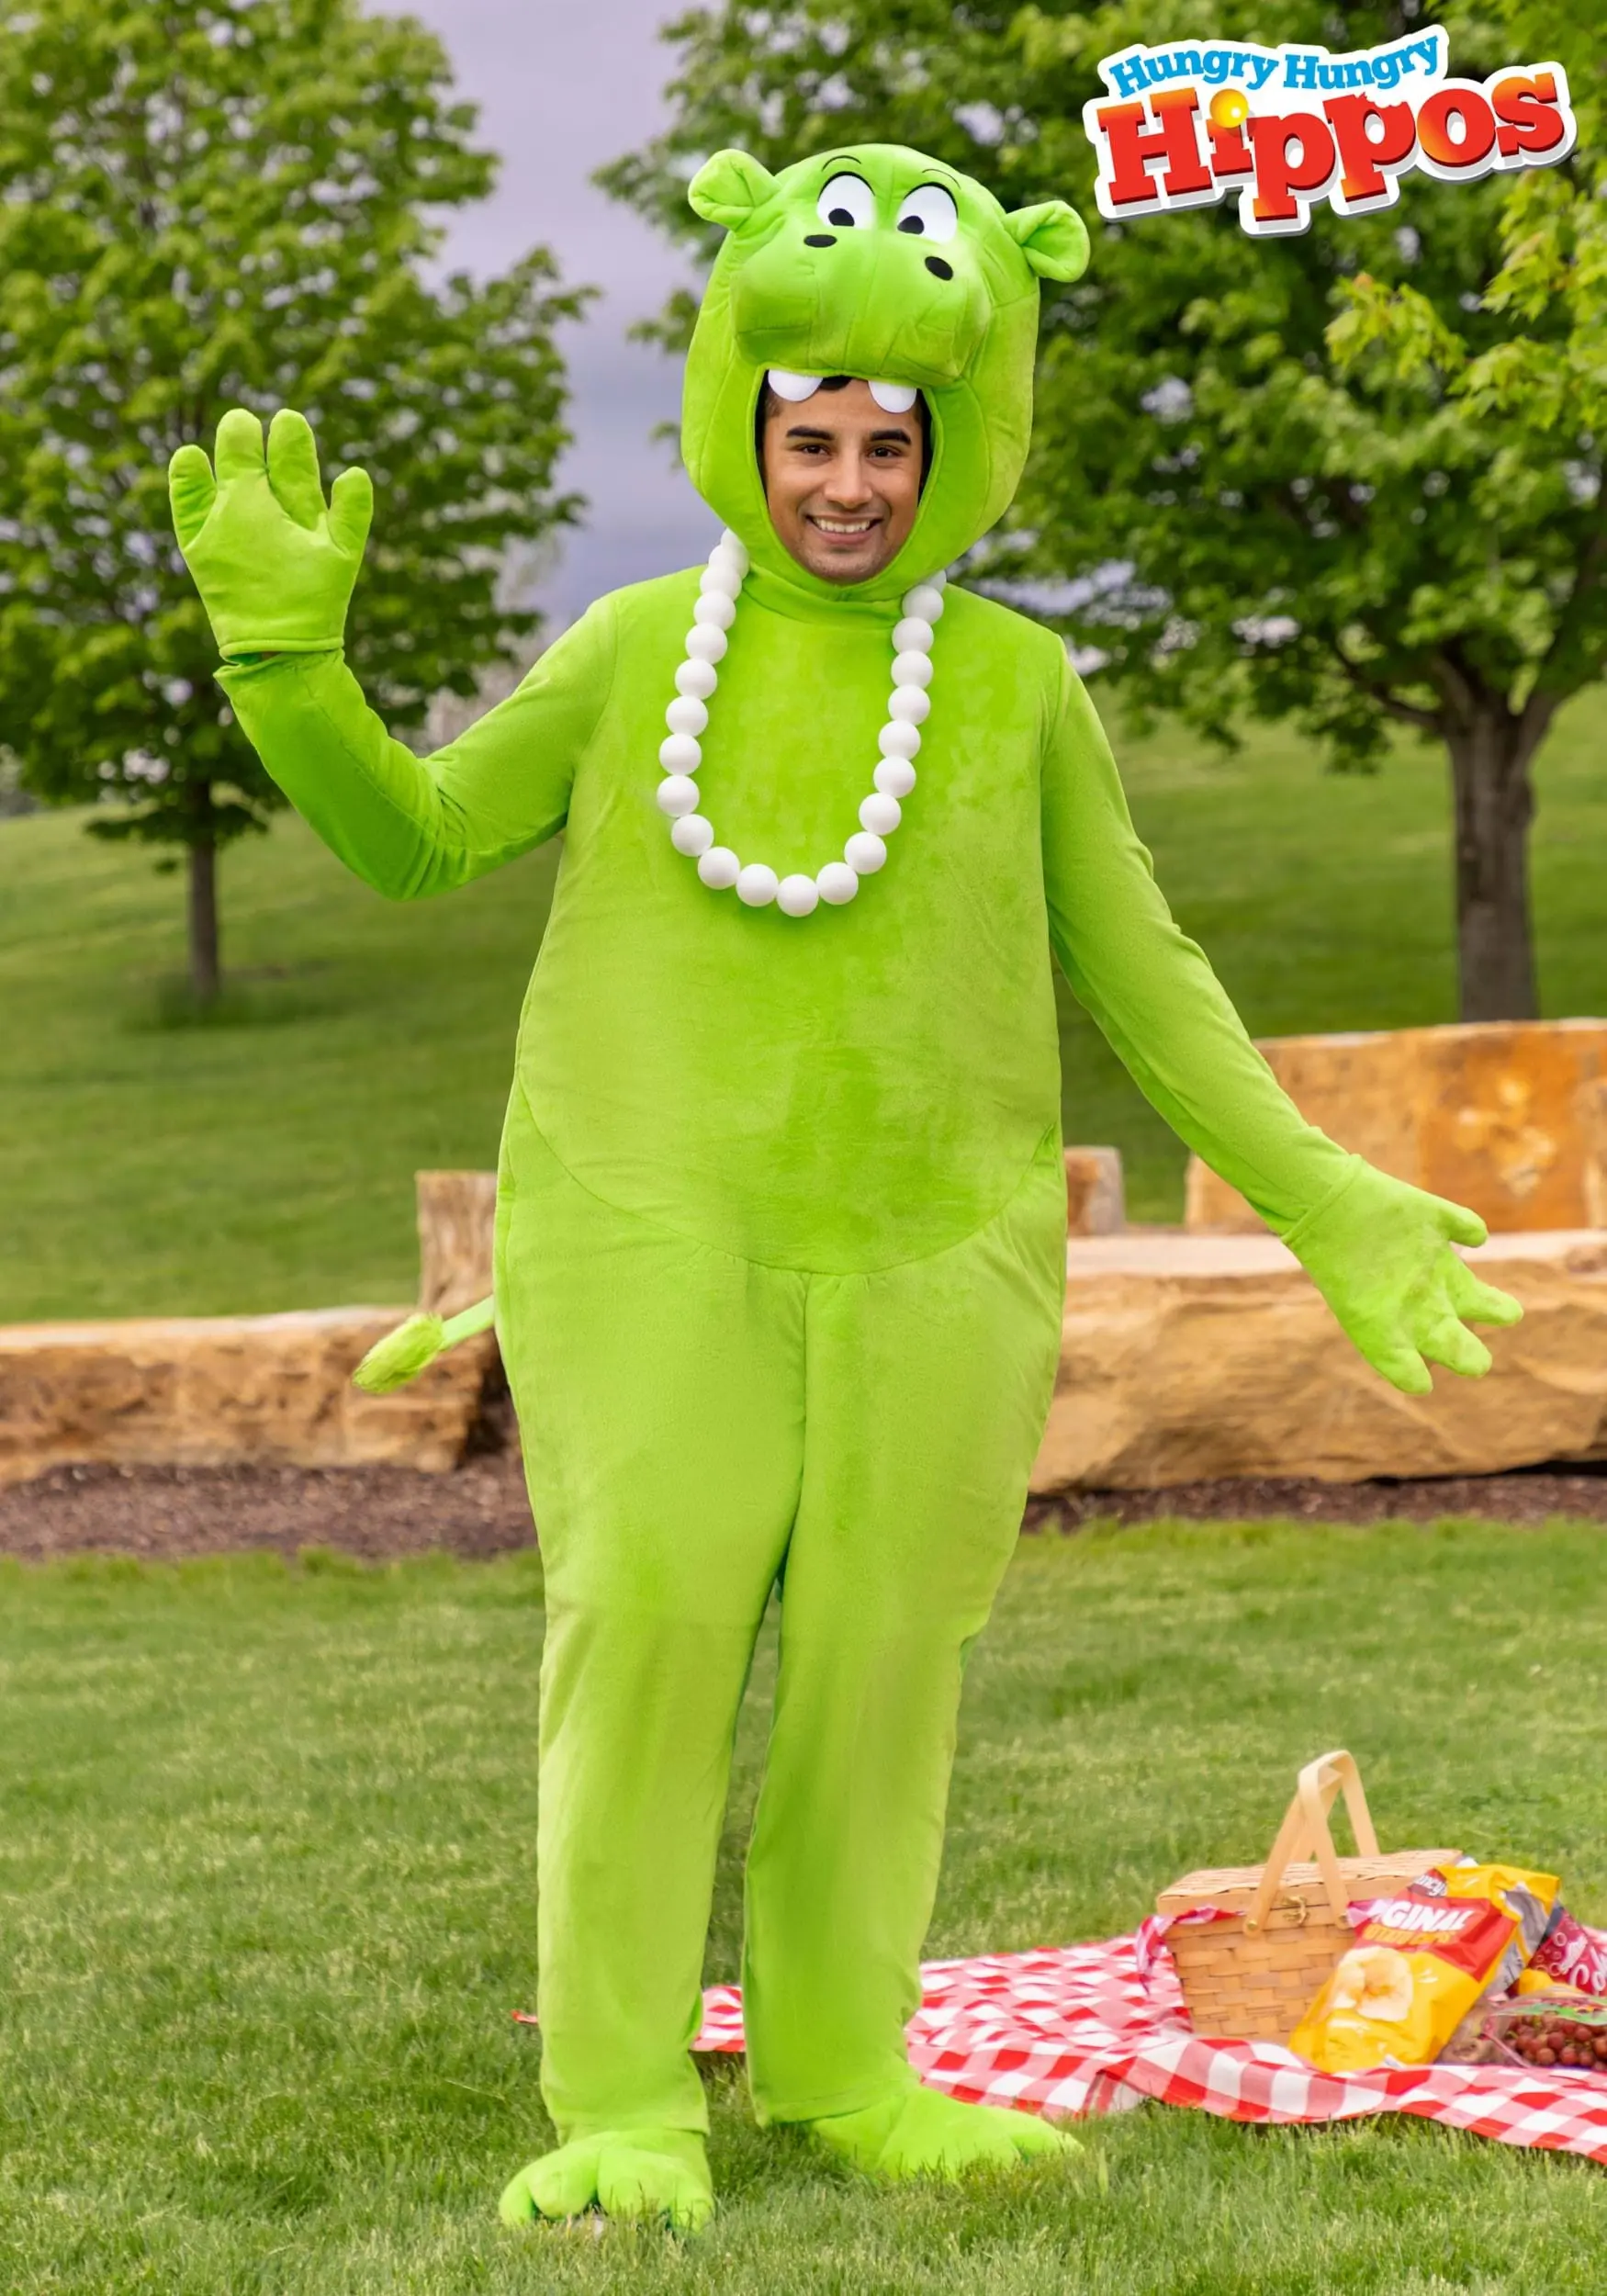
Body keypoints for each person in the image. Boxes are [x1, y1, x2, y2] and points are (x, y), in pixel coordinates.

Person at [167, 141, 1521, 2234]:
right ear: (744, 418)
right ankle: (623, 2096)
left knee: (887, 1663)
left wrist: (1323, 1196)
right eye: (811, 437)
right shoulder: (634, 648)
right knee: (648, 1630)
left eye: (892, 443)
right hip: (649, 1228)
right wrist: (288, 671)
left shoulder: (1015, 684)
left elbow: (1147, 979)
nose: (848, 484)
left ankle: (839, 2065)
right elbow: (418, 839)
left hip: (937, 1253)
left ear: (959, 443)